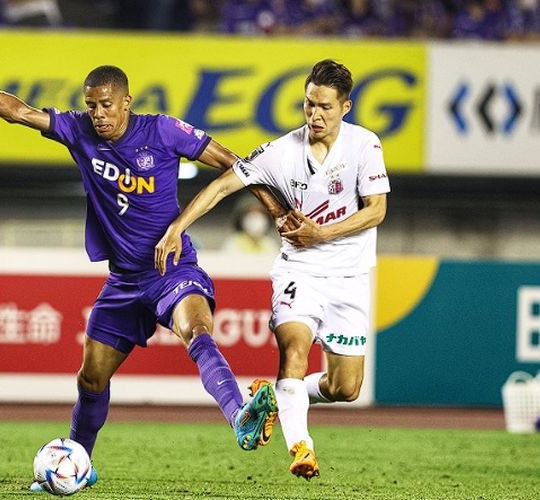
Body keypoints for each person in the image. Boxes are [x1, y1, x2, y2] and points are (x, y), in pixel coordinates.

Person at [0, 34, 287, 491]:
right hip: (122, 282)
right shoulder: (78, 130)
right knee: (91, 378)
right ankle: (77, 466)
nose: (97, 114)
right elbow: (19, 111)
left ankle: (239, 415)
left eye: (105, 105)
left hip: (172, 268)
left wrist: (274, 209)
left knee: (196, 331)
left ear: (126, 103)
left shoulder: (162, 131)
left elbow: (234, 164)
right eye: (91, 105)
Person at [155, 59, 390, 480]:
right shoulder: (281, 151)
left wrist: (323, 233)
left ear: (346, 107)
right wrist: (177, 227)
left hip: (350, 278)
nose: (315, 115)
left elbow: (376, 211)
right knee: (294, 351)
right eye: (309, 104)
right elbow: (221, 185)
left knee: (345, 388)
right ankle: (302, 448)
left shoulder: (365, 146)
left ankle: (279, 397)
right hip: (298, 271)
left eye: (325, 107)